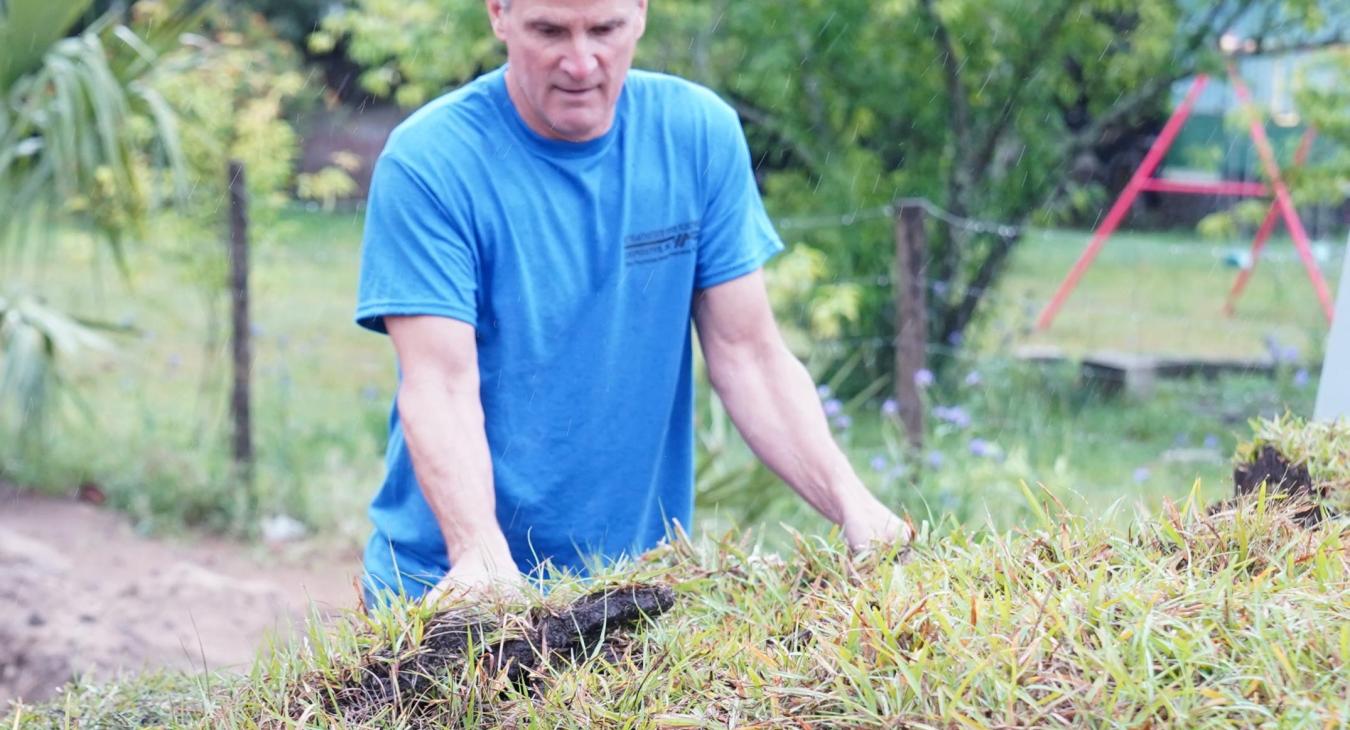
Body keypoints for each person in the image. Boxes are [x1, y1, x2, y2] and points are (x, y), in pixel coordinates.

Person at [354, 0, 910, 607]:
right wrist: (478, 551)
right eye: (549, 31)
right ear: (499, 15)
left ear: (640, 14)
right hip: (445, 583)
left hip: (630, 588)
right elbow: (439, 382)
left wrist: (853, 505)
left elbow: (748, 355)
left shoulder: (697, 135)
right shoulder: (431, 162)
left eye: (604, 29)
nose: (581, 61)